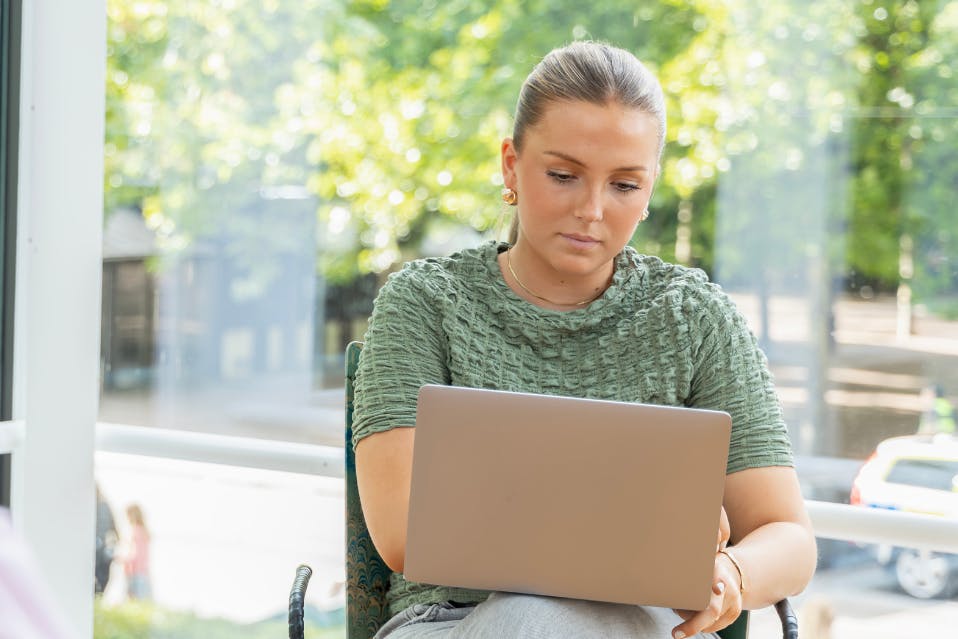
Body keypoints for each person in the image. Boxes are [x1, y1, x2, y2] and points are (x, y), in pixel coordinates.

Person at [352, 41, 817, 639]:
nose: (592, 210)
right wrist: (633, 534)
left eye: (624, 185)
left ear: (650, 190)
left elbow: (789, 538)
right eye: (564, 175)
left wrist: (730, 572)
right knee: (533, 621)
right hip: (451, 622)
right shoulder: (425, 303)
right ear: (510, 167)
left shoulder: (694, 317)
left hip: (633, 623)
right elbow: (402, 534)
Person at [122, 503, 152, 601]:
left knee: (133, 604)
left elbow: (134, 555)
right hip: (144, 573)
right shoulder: (144, 531)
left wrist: (121, 559)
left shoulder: (135, 531)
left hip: (135, 573)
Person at [94, 483, 118, 595]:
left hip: (102, 547)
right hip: (96, 548)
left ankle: (99, 593)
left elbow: (113, 526)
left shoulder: (103, 506)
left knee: (102, 574)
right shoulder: (99, 505)